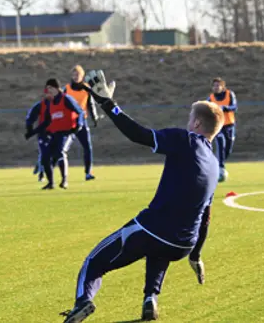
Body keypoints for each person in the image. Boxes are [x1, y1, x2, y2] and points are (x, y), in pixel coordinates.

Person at [61, 70, 223, 322]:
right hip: (183, 244)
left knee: (93, 262)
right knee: (161, 247)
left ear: (198, 124)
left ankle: (83, 301)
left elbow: (138, 135)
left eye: (190, 118)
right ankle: (151, 298)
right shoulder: (214, 164)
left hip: (154, 230)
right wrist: (195, 255)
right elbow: (206, 217)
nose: (188, 122)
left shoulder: (186, 140)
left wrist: (107, 104)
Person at [33, 78, 84, 190]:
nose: (48, 91)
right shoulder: (50, 102)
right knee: (45, 156)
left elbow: (80, 111)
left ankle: (64, 180)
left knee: (60, 152)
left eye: (50, 88)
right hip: (55, 133)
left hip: (67, 132)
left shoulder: (66, 99)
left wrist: (79, 124)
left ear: (56, 88)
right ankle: (51, 183)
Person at [63, 65, 99, 181]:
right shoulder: (66, 89)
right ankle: (49, 171)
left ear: (82, 76)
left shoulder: (86, 89)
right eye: (74, 74)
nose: (76, 77)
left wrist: (95, 117)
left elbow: (91, 104)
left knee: (87, 147)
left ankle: (88, 172)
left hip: (82, 121)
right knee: (62, 148)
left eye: (78, 74)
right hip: (69, 122)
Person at [207, 77, 237, 182]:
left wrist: (225, 108)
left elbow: (234, 107)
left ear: (222, 86)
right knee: (220, 142)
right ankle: (220, 168)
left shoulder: (230, 94)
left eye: (218, 85)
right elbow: (206, 110)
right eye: (214, 85)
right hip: (217, 125)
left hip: (229, 125)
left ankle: (216, 165)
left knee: (228, 149)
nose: (216, 87)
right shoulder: (210, 98)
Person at [25, 88, 52, 182]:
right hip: (43, 132)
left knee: (54, 154)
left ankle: (40, 165)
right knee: (44, 153)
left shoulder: (60, 103)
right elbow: (30, 118)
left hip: (56, 132)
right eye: (48, 93)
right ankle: (41, 173)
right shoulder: (40, 105)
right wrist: (29, 129)